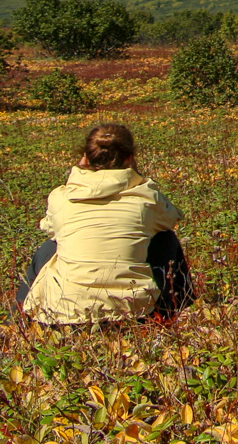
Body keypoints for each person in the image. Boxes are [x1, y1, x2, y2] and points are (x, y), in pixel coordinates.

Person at [18, 123, 193, 325]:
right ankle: (172, 311)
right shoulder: (147, 198)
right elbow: (172, 218)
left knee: (49, 247)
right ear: (130, 158)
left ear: (85, 157)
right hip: (133, 313)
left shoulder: (62, 197)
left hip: (65, 314)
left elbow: (50, 229)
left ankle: (18, 320)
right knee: (165, 238)